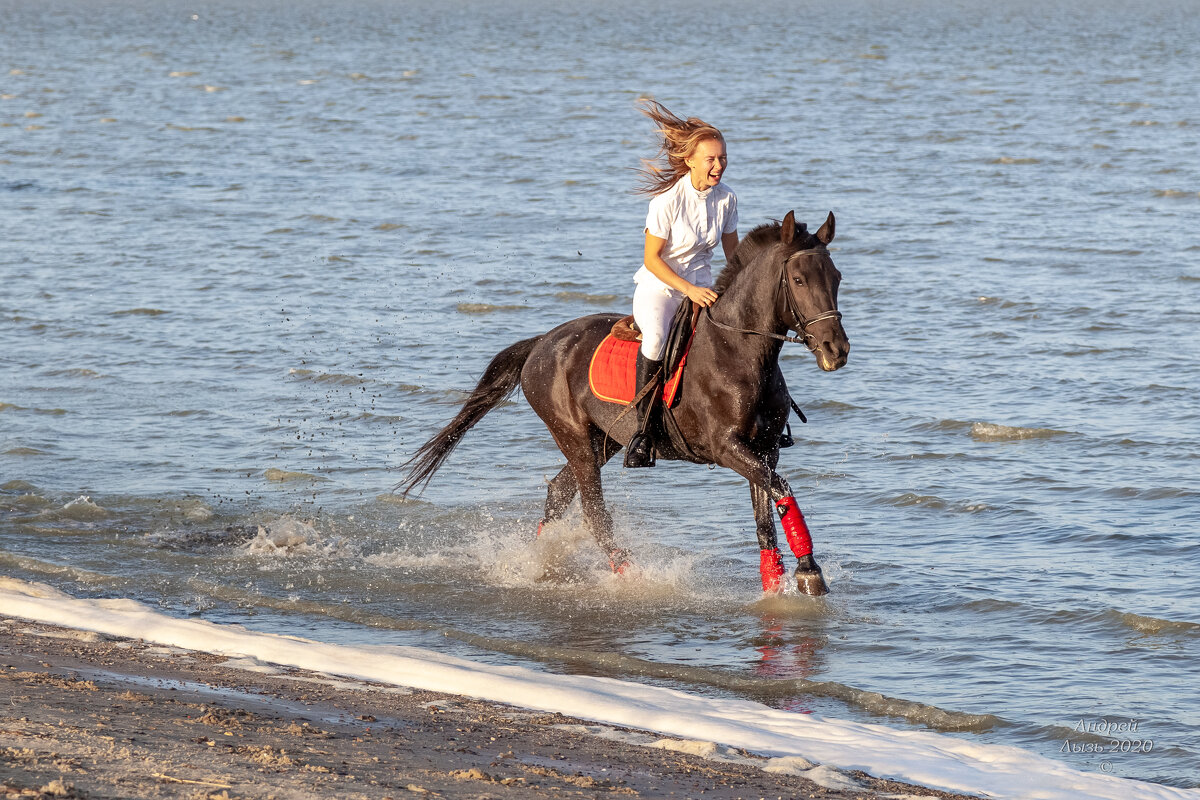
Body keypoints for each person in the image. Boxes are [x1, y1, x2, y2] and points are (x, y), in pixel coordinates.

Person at [624, 100, 738, 468]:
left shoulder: (727, 200)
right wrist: (687, 290)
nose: (718, 166)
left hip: (704, 286)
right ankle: (643, 434)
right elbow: (651, 259)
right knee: (657, 338)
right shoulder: (666, 201)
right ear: (690, 160)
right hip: (661, 288)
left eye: (723, 158)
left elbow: (734, 256)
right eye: (711, 159)